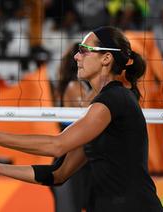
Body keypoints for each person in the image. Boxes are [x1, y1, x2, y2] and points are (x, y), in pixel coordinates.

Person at [0, 26, 163, 211]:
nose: (76, 57)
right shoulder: (102, 104)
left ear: (106, 59)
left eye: (84, 51)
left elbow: (56, 145)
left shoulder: (114, 98)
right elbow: (59, 173)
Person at [51, 42, 93, 212]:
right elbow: (87, 113)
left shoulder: (76, 86)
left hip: (80, 161)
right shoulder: (73, 87)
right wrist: (107, 79)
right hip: (69, 164)